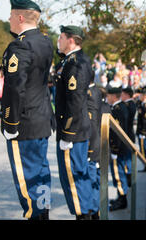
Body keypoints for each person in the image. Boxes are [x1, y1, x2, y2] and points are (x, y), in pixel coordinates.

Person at [1, 0, 54, 220]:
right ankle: (43, 214)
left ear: (20, 17)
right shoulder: (45, 41)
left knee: (27, 182)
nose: (9, 19)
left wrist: (10, 123)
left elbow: (15, 87)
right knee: (41, 176)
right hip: (41, 120)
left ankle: (36, 216)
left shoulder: (20, 45)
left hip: (24, 124)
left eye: (12, 15)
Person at [55, 25, 93, 220]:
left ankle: (84, 216)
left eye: (60, 38)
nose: (58, 41)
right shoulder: (70, 61)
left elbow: (74, 101)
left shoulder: (75, 63)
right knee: (78, 177)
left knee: (74, 180)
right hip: (76, 129)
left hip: (73, 131)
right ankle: (88, 214)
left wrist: (67, 134)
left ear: (71, 40)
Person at [107, 87, 130, 211]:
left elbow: (117, 133)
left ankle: (122, 200)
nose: (107, 98)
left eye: (108, 96)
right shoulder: (120, 107)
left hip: (118, 149)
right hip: (120, 148)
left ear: (113, 96)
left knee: (118, 174)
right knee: (119, 174)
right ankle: (120, 196)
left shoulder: (117, 110)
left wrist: (115, 150)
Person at [86, 74, 103, 220]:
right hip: (98, 146)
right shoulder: (97, 92)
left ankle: (92, 211)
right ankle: (95, 210)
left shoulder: (90, 95)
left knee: (91, 182)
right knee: (95, 181)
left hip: (93, 146)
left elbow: (92, 125)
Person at [136, 89, 146, 171]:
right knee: (143, 150)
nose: (139, 96)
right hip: (142, 131)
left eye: (141, 95)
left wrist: (143, 132)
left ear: (145, 96)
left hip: (144, 132)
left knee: (144, 150)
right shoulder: (142, 104)